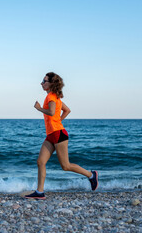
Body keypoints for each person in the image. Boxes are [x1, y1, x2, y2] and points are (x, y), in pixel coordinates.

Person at [25, 72, 99, 200]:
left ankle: (91, 175)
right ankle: (40, 192)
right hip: (51, 135)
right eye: (42, 81)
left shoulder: (51, 98)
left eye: (44, 81)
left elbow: (52, 112)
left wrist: (39, 109)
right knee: (40, 162)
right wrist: (58, 121)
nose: (41, 83)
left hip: (58, 134)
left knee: (66, 166)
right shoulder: (54, 97)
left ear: (51, 83)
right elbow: (67, 110)